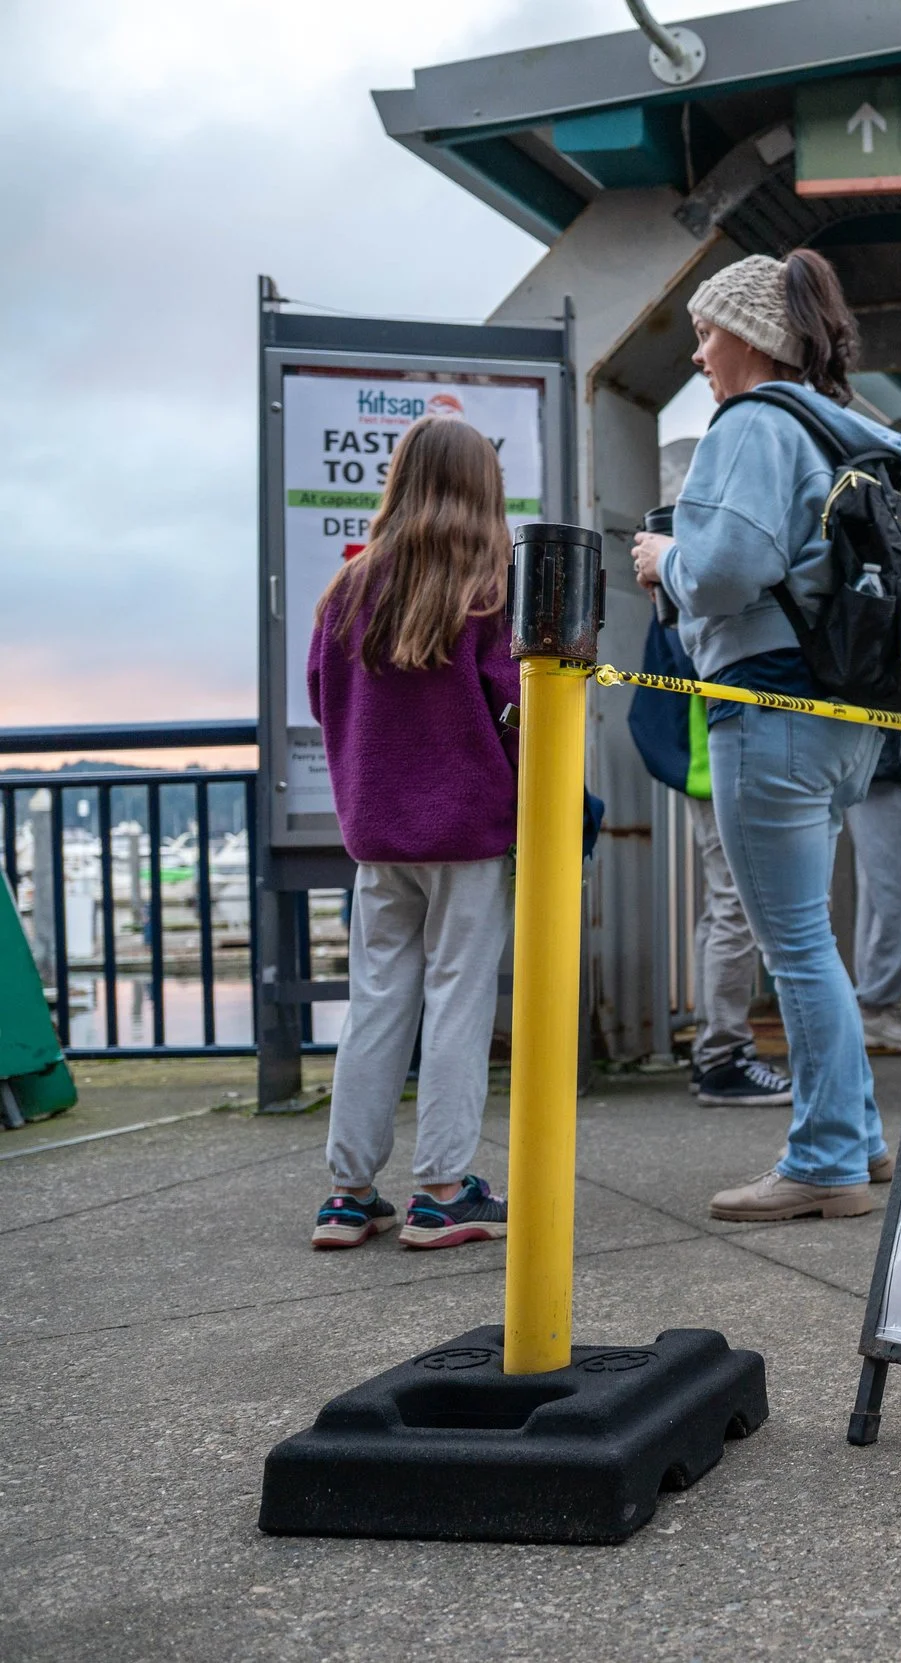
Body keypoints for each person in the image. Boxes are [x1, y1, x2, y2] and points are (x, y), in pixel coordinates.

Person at [632, 249, 901, 1223]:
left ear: (751, 335)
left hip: (766, 703)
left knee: (793, 943)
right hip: (841, 715)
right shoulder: (853, 429)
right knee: (814, 940)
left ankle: (825, 1157)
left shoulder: (754, 424)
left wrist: (667, 557)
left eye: (708, 331)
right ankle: (861, 1140)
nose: (700, 353)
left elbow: (727, 569)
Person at [305, 415, 516, 1252]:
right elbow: (517, 715)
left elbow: (325, 703)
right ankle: (441, 1191)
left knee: (377, 999)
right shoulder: (488, 594)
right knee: (458, 998)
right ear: (482, 491)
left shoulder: (347, 592)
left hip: (379, 833)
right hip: (469, 829)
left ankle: (348, 1193)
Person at [624, 613, 791, 1105]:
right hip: (716, 750)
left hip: (711, 749)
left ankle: (716, 1049)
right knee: (735, 905)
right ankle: (721, 1054)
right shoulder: (692, 565)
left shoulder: (675, 567)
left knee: (727, 905)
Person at [844, 732, 901, 1053]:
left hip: (875, 757)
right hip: (883, 760)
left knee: (885, 889)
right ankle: (875, 1004)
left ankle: (875, 1002)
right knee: (900, 889)